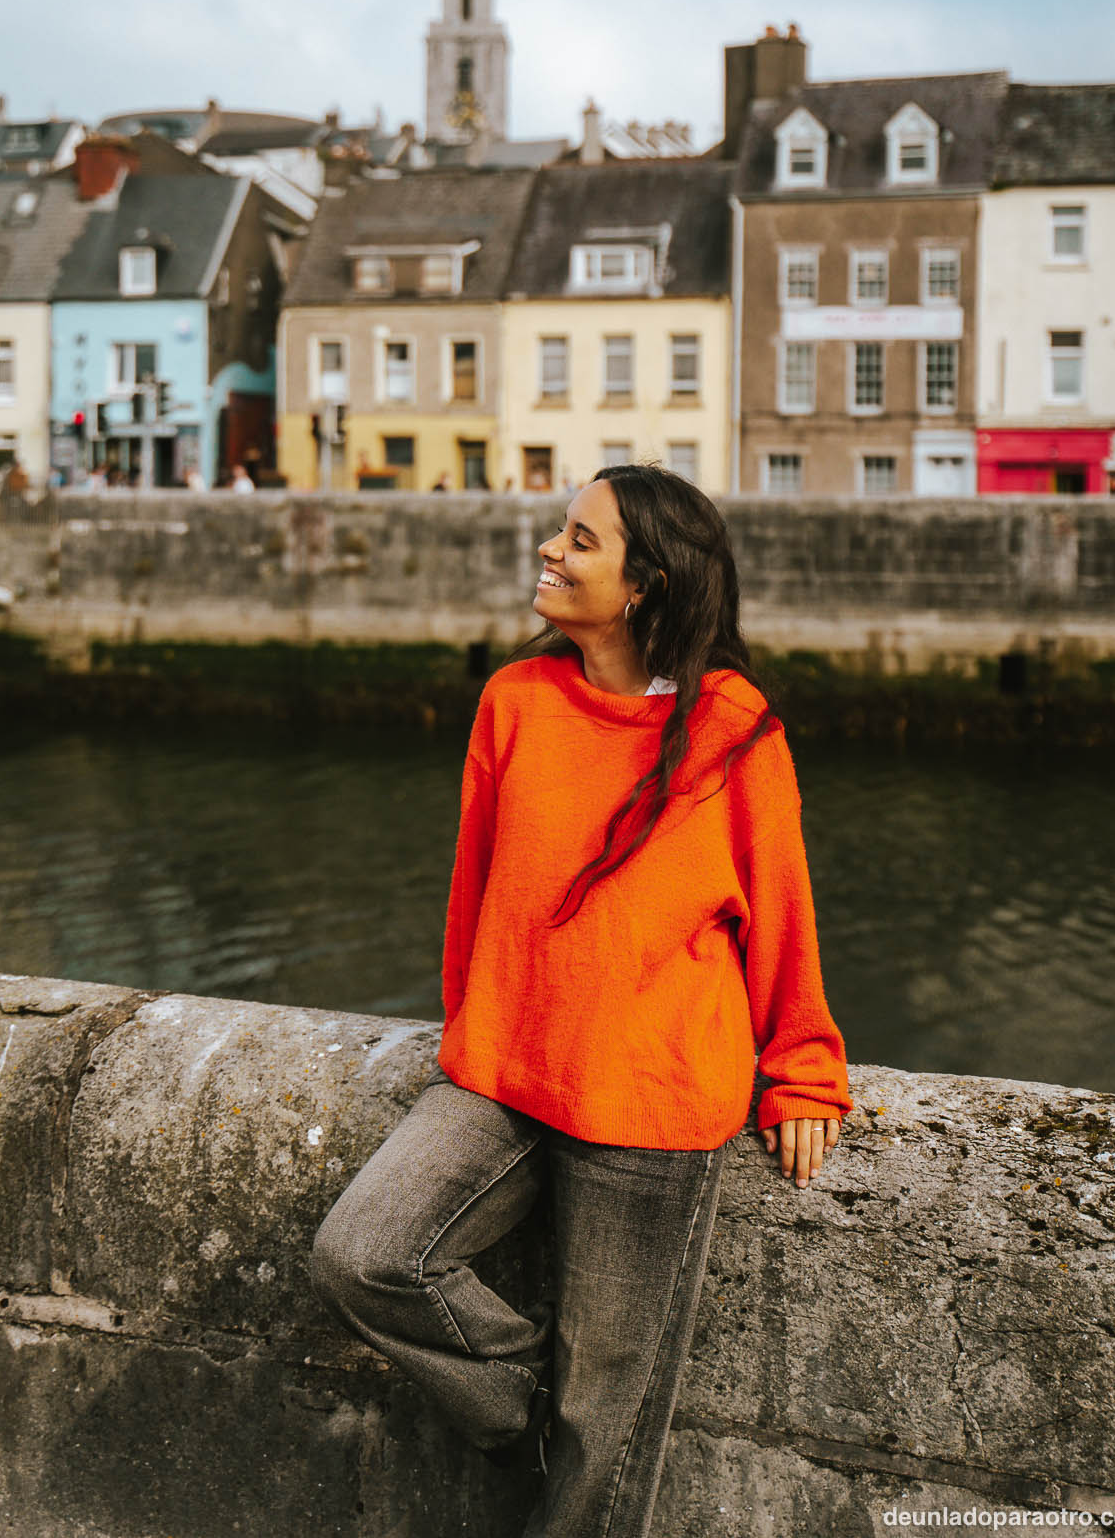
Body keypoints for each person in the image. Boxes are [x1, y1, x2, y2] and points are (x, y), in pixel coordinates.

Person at [308, 463, 850, 1538]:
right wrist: (468, 1023)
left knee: (609, 1436)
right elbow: (474, 887)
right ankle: (527, 1406)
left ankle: (577, 1430)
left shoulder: (736, 731)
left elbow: (780, 914)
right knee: (363, 1253)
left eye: (579, 541)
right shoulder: (516, 699)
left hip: (651, 1103)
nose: (549, 553)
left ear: (646, 582)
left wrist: (802, 1074)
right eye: (560, 535)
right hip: (506, 1070)